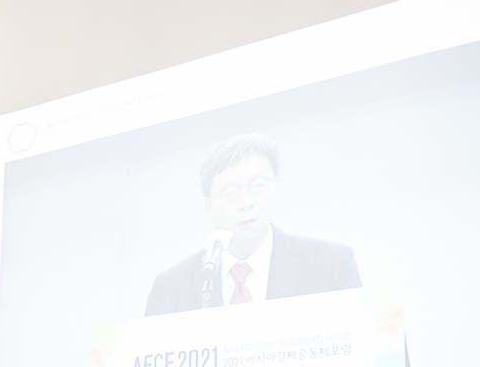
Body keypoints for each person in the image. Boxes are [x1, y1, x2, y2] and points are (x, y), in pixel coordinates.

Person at [145, 133, 360, 314]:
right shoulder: (171, 289)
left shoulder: (331, 265)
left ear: (277, 188)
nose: (245, 203)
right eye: (230, 192)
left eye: (257, 185)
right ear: (208, 207)